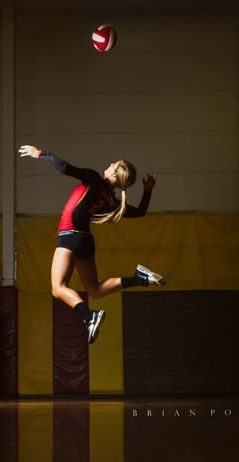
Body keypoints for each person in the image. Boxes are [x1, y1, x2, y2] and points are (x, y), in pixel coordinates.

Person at [18, 144, 166, 344]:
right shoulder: (112, 202)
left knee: (57, 287)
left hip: (70, 235)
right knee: (94, 290)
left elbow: (65, 168)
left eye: (113, 163)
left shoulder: (95, 179)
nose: (110, 164)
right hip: (85, 240)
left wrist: (40, 154)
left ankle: (90, 317)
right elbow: (140, 212)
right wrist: (147, 191)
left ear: (114, 171)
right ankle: (140, 278)